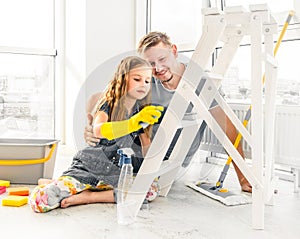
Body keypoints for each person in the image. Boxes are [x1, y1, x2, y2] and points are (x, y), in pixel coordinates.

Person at [84, 31, 252, 193]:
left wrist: (243, 177)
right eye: (150, 64)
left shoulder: (201, 82)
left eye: (162, 59)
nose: (158, 68)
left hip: (172, 162)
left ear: (174, 51)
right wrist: (91, 126)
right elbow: (101, 97)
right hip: (139, 154)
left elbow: (227, 129)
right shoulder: (147, 82)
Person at [29, 56, 164, 213]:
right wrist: (132, 123)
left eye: (147, 81)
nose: (143, 84)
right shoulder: (108, 103)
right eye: (137, 79)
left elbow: (147, 147)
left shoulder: (141, 112)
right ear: (122, 79)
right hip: (90, 168)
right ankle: (69, 184)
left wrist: (154, 163)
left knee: (151, 189)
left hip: (116, 173)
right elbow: (98, 130)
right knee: (39, 202)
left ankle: (88, 196)